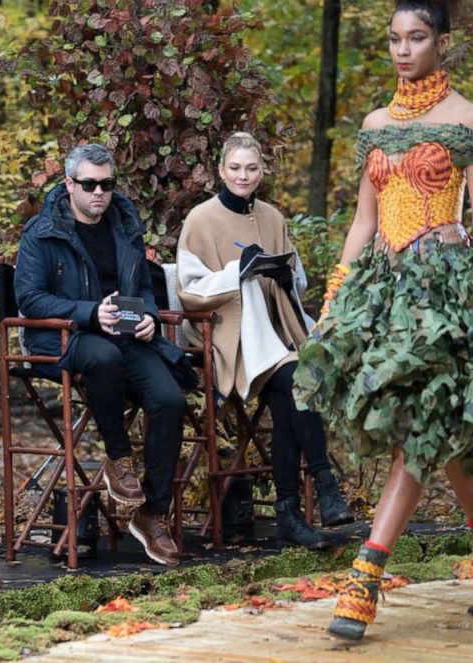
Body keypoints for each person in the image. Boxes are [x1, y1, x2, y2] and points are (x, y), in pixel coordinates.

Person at [292, 0, 473, 640]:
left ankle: (366, 575)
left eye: (417, 37)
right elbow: (364, 223)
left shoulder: (467, 120)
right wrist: (335, 298)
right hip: (383, 290)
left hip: (445, 292)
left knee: (424, 423)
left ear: (441, 43)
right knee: (447, 434)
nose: (402, 50)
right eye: (395, 38)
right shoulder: (373, 123)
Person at [14, 143, 195, 566]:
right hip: (71, 337)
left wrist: (149, 316)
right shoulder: (42, 233)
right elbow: (30, 299)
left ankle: (153, 514)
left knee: (170, 401)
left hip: (131, 336)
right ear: (69, 184)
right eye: (89, 184)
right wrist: (89, 313)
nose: (99, 192)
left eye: (106, 184)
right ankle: (118, 456)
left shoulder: (125, 224)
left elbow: (146, 287)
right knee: (103, 357)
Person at [176, 132, 353, 551]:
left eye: (251, 168)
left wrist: (283, 276)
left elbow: (298, 277)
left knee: (293, 387)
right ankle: (323, 486)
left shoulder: (273, 217)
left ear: (262, 171)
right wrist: (240, 271)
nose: (243, 175)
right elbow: (189, 289)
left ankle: (292, 513)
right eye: (235, 168)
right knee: (297, 379)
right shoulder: (201, 219)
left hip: (279, 331)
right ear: (221, 170)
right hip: (227, 334)